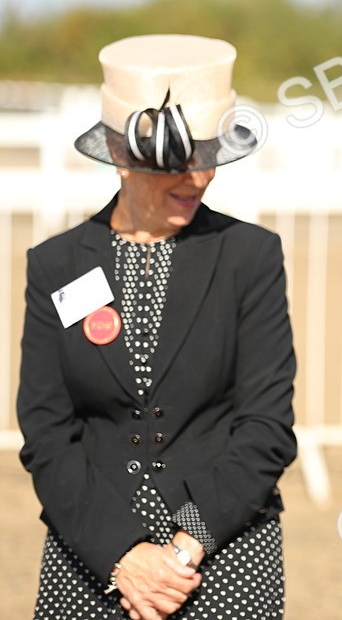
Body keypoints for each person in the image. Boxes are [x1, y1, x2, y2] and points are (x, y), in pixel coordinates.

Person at [17, 34, 297, 619]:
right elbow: (46, 433)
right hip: (90, 557)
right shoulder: (58, 266)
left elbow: (266, 427)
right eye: (177, 162)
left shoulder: (250, 257)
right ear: (120, 156)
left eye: (209, 158)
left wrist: (183, 547)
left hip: (224, 551)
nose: (197, 180)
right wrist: (122, 553)